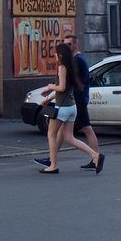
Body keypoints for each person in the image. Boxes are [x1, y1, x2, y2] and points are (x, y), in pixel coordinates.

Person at [34, 35, 100, 169]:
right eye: (66, 45)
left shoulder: (74, 63)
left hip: (72, 102)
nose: (67, 48)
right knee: (66, 135)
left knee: (81, 129)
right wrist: (50, 97)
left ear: (75, 44)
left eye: (69, 45)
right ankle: (93, 156)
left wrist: (50, 88)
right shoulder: (72, 63)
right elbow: (67, 86)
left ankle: (54, 163)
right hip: (72, 104)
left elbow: (63, 87)